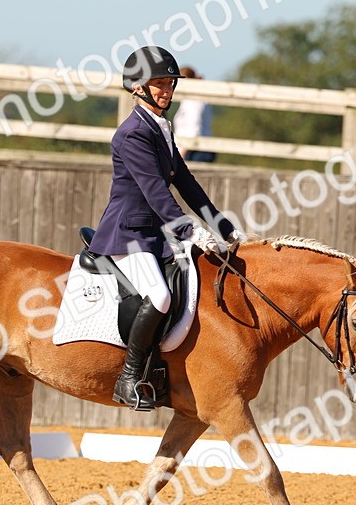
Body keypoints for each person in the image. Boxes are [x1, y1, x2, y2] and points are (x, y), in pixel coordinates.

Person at [88, 46, 243, 411]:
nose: (165, 91)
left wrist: (220, 224)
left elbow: (185, 181)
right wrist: (190, 231)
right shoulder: (131, 134)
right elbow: (156, 191)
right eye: (157, 83)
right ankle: (129, 377)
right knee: (159, 296)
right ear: (137, 87)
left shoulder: (159, 127)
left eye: (169, 83)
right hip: (129, 233)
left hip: (155, 232)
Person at [172, 66, 216, 163]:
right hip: (198, 148)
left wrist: (182, 154)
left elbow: (195, 130)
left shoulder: (192, 101)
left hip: (193, 151)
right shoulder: (199, 98)